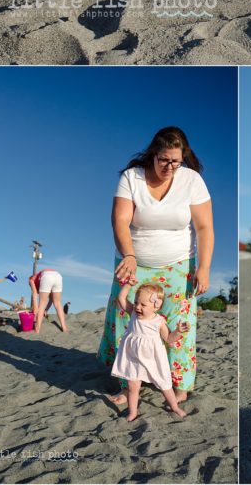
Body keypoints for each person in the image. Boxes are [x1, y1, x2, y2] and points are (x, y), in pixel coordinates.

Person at [98, 126, 214, 407]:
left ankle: (179, 384)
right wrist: (129, 255)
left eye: (176, 161)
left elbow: (204, 227)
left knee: (178, 324)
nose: (170, 166)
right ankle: (129, 384)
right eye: (164, 160)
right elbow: (120, 221)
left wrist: (204, 267)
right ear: (153, 154)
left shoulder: (191, 180)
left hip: (178, 264)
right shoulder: (132, 178)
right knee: (130, 322)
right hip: (134, 263)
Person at [111, 280, 190, 421]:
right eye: (136, 303)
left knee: (164, 383)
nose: (138, 307)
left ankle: (174, 406)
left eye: (143, 305)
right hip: (133, 357)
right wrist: (128, 285)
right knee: (132, 386)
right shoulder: (133, 314)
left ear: (156, 307)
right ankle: (133, 412)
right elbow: (121, 298)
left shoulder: (159, 321)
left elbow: (169, 339)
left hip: (153, 358)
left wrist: (178, 332)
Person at [28, 268, 68, 333]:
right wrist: (46, 310)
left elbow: (34, 293)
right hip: (58, 276)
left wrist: (35, 306)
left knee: (41, 304)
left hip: (46, 276)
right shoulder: (39, 277)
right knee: (58, 303)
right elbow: (51, 300)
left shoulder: (31, 280)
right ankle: (64, 328)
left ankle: (37, 329)